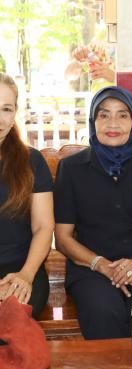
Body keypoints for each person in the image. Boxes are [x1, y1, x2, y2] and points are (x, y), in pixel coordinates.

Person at [54, 86, 132, 340]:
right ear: (93, 121)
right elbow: (63, 237)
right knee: (103, 311)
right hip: (91, 268)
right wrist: (102, 266)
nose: (113, 123)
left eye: (123, 115)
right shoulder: (72, 169)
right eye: (104, 115)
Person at [0, 73, 54, 318]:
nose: (0, 119)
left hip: (23, 269)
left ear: (15, 113)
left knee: (13, 315)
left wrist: (26, 274)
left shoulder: (31, 161)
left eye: (6, 109)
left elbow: (43, 226)